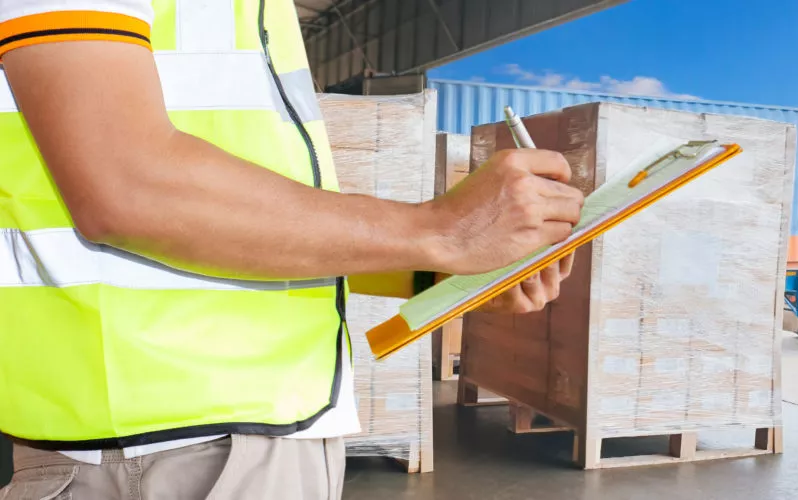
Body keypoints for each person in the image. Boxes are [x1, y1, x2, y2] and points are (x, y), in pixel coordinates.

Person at [0, 0, 583, 498]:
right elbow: (125, 185)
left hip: (257, 433)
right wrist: (441, 229)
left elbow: (274, 232)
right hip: (168, 444)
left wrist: (448, 274)